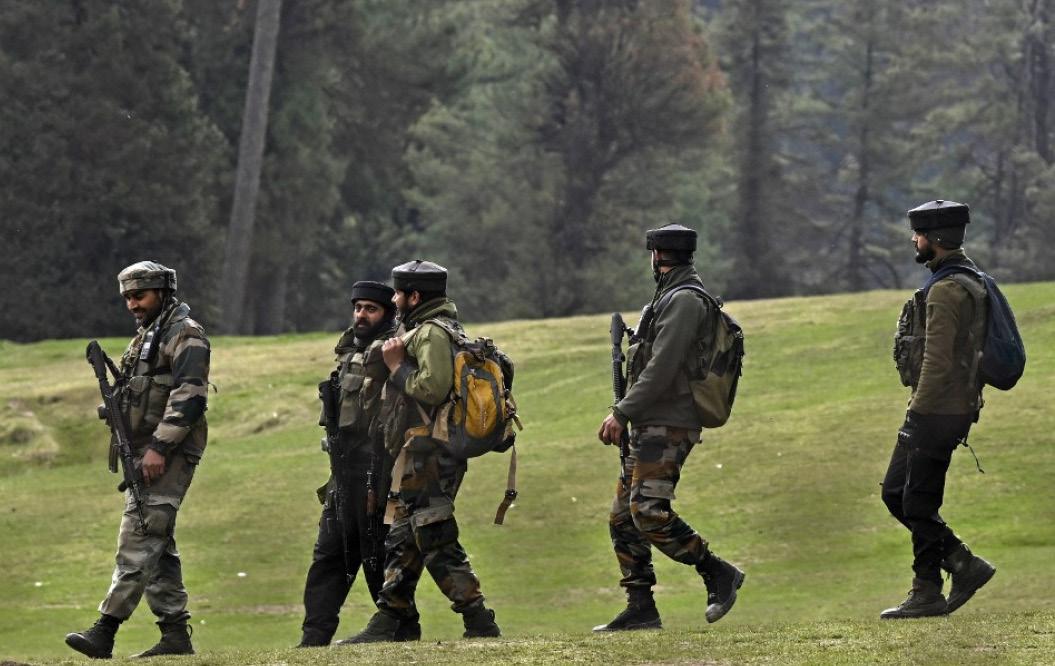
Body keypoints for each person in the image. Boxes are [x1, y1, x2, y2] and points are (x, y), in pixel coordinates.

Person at [342, 260, 501, 643]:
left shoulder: (431, 333)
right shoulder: (441, 327)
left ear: (414, 296)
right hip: (423, 447)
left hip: (433, 450)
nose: (394, 300)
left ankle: (478, 618)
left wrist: (396, 367)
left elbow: (432, 388)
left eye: (399, 294)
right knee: (404, 537)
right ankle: (388, 619)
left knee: (434, 534)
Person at [595, 224, 745, 632]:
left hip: (670, 421)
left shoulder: (683, 301)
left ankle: (717, 572)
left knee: (647, 511)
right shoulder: (670, 297)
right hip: (652, 421)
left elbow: (662, 367)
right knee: (623, 518)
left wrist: (622, 412)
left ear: (657, 256)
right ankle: (640, 607)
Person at [66, 261, 210, 658]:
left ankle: (105, 631)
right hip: (144, 451)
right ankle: (175, 635)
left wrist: (159, 448)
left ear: (162, 293)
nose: (133, 304)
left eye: (139, 295)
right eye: (128, 297)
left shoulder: (185, 334)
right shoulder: (148, 335)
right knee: (155, 540)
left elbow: (191, 397)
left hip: (167, 453)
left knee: (140, 535)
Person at [881, 199, 997, 619]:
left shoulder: (947, 290)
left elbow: (937, 360)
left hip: (939, 410)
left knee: (917, 500)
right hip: (941, 406)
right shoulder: (962, 278)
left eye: (919, 234)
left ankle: (927, 589)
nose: (915, 240)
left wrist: (917, 414)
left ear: (935, 238)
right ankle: (963, 564)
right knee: (896, 492)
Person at [298, 281, 421, 646]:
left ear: (387, 313)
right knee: (329, 555)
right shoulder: (349, 346)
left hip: (378, 471)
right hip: (344, 469)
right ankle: (313, 639)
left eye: (370, 308)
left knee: (376, 554)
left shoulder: (396, 348)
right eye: (357, 307)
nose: (361, 315)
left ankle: (401, 628)